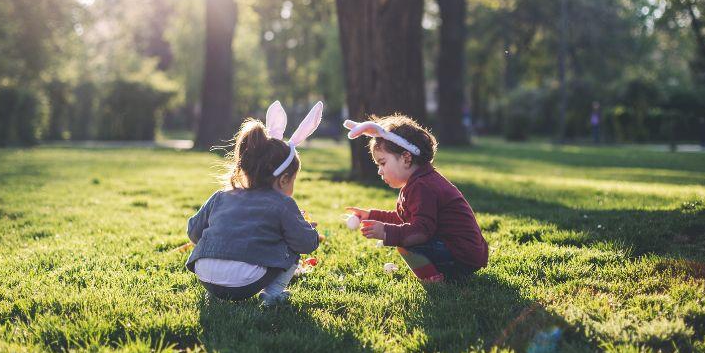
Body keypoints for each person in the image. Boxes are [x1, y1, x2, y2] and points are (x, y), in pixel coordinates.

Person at [185, 101, 323, 305]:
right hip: (246, 281)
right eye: (293, 180)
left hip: (205, 274)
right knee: (291, 246)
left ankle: (216, 291)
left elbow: (193, 232)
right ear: (284, 179)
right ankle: (273, 294)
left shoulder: (221, 196)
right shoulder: (283, 203)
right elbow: (303, 243)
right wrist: (308, 230)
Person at [344, 115, 489, 283]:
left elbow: (420, 231)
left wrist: (386, 232)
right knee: (405, 235)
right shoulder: (419, 182)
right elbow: (403, 218)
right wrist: (371, 215)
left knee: (408, 242)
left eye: (382, 163)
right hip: (463, 251)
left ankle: (435, 277)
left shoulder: (423, 187)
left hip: (461, 254)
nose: (379, 171)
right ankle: (440, 272)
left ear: (406, 158)